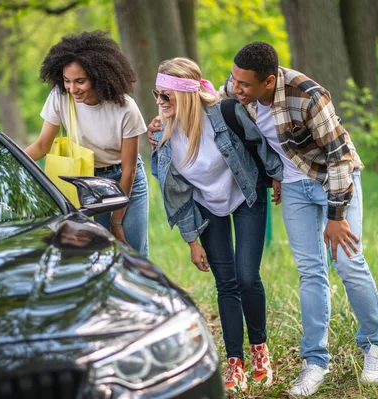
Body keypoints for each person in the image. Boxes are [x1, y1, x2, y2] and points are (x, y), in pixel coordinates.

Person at [149, 42, 378, 396]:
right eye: (233, 81)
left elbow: (339, 158)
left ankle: (374, 347)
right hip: (293, 187)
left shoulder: (307, 96)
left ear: (269, 81)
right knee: (310, 271)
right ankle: (315, 361)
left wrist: (336, 217)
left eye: (244, 85)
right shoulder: (234, 92)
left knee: (349, 262)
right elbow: (206, 96)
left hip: (334, 182)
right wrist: (168, 113)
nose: (235, 89)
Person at [150, 57, 283, 392]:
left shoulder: (223, 113)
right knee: (226, 284)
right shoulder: (162, 137)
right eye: (157, 94)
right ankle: (235, 362)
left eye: (167, 96)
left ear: (186, 95)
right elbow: (177, 194)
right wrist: (192, 240)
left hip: (246, 195)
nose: (159, 102)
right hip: (206, 207)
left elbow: (257, 142)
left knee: (247, 277)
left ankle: (259, 350)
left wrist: (277, 177)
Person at [25, 31, 149, 258]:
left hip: (124, 178)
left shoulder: (125, 108)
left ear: (98, 76)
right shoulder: (60, 96)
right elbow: (42, 146)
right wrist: (7, 159)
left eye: (80, 81)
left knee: (133, 254)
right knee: (97, 255)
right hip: (88, 179)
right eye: (67, 80)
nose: (72, 89)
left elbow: (129, 170)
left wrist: (117, 221)